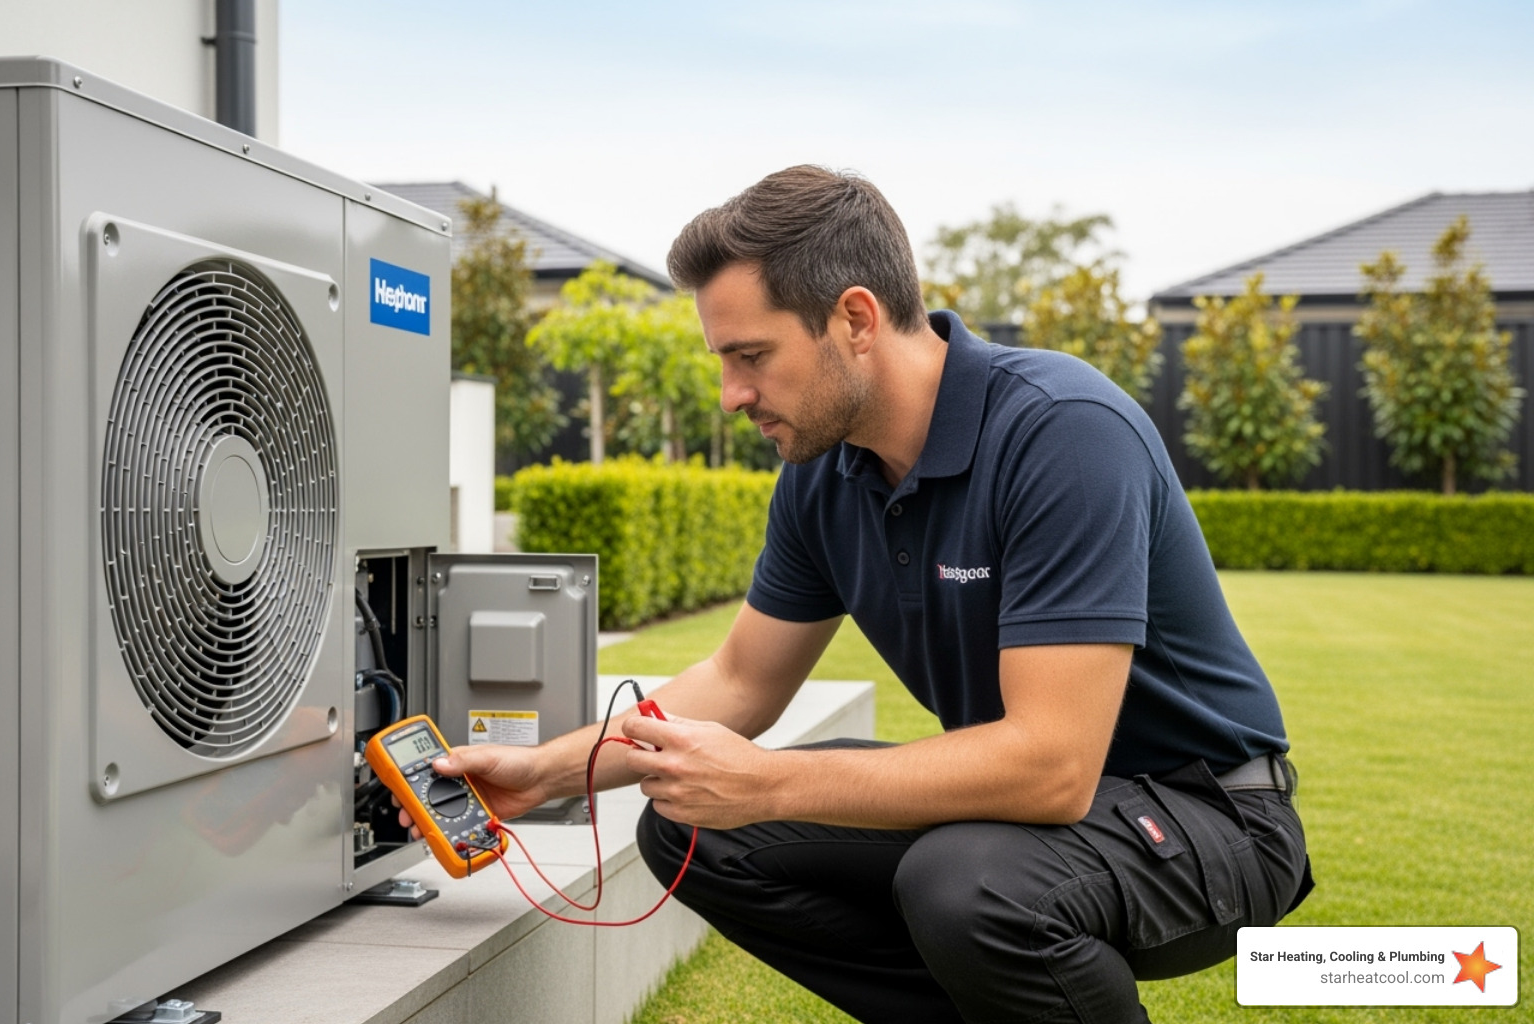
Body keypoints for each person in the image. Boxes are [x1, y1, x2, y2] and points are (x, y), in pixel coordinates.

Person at [407, 165, 1313, 1023]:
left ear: (855, 318)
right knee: (691, 830)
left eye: (751, 355)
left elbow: (1053, 766)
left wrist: (767, 781)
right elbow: (738, 683)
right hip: (1031, 822)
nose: (731, 395)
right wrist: (546, 773)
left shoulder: (1062, 433)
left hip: (1211, 815)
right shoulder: (822, 473)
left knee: (966, 882)